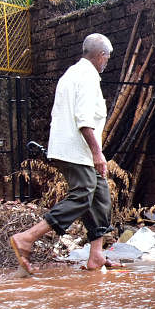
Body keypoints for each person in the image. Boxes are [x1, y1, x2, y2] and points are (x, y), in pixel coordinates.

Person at [9, 33, 114, 274]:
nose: (106, 62)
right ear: (100, 56)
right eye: (107, 57)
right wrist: (97, 154)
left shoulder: (72, 73)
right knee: (83, 194)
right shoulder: (87, 77)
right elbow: (85, 121)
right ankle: (27, 237)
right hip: (77, 150)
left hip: (73, 149)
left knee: (100, 195)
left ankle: (96, 256)